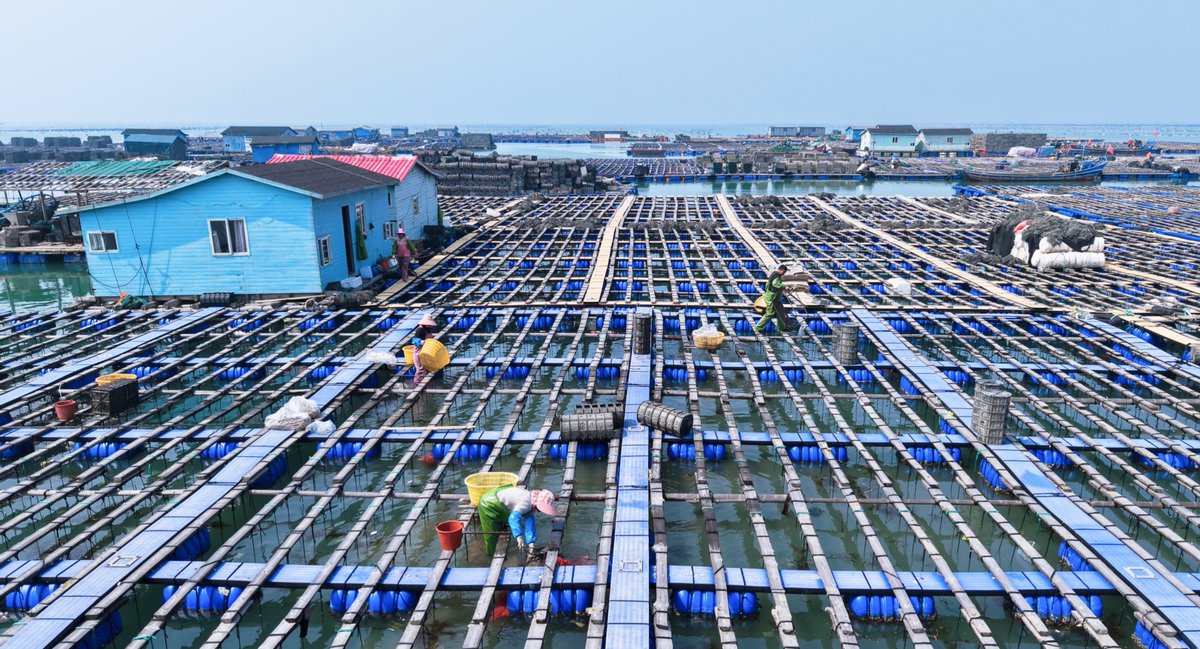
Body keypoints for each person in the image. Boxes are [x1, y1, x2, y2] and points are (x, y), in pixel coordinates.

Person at [478, 484, 556, 557]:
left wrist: (531, 543)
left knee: (500, 525)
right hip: (489, 503)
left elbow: (529, 523)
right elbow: (513, 518)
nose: (540, 511)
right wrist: (519, 537)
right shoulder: (526, 503)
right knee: (492, 535)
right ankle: (490, 555)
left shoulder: (532, 502)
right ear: (537, 503)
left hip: (500, 499)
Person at [754, 264, 790, 334]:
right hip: (771, 298)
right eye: (784, 272)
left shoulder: (774, 275)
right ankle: (758, 328)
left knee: (779, 313)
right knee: (770, 314)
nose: (783, 274)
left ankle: (781, 328)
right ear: (781, 270)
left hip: (774, 297)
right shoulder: (776, 276)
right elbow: (775, 284)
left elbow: (767, 285)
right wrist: (784, 286)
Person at [411, 314, 436, 383]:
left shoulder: (429, 329)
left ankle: (426, 384)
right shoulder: (420, 330)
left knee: (427, 369)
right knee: (420, 370)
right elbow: (414, 340)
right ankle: (417, 384)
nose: (430, 326)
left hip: (426, 352)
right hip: (419, 353)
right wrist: (422, 342)